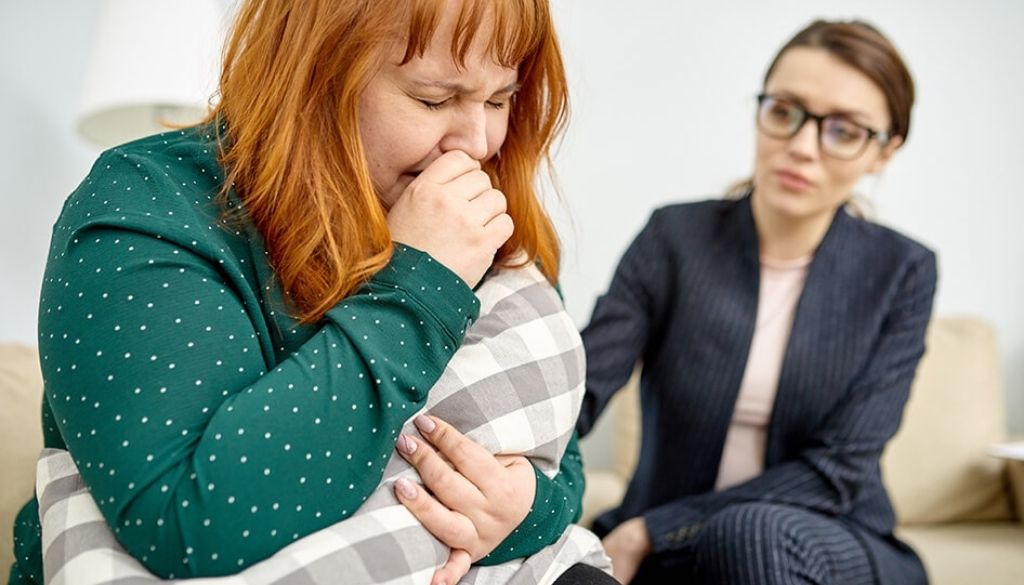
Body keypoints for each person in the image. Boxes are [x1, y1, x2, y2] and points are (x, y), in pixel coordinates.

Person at [9, 1, 615, 584]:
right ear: (313, 72)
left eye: (500, 98)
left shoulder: (484, 214)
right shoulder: (146, 206)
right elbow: (192, 522)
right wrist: (422, 278)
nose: (480, 143)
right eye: (434, 98)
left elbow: (558, 457)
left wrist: (525, 510)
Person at [576, 20, 936, 585]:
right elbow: (580, 390)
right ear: (759, 110)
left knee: (751, 531)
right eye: (784, 110)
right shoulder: (674, 239)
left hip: (832, 538)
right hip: (670, 551)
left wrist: (652, 529)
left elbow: (836, 471)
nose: (801, 146)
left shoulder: (902, 271)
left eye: (844, 131)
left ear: (884, 152)